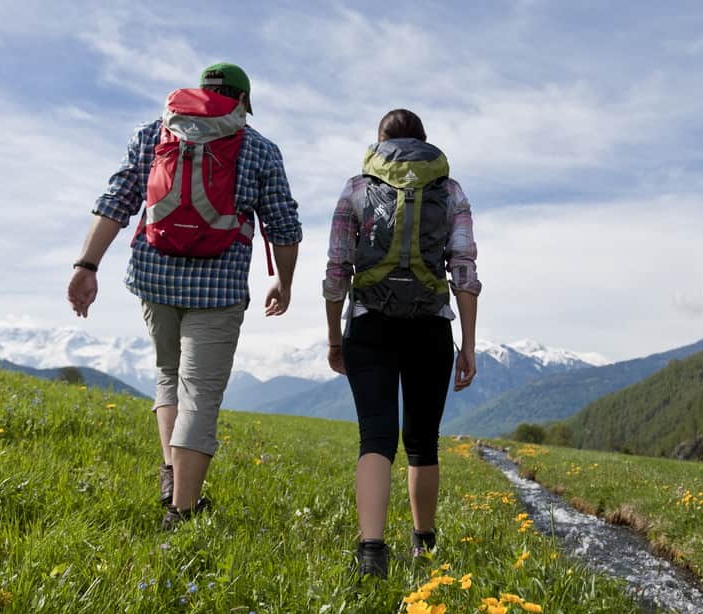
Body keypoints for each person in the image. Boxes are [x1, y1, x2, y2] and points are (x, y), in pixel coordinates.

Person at [68, 62, 301, 530]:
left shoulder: (154, 133)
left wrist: (86, 265)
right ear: (243, 100)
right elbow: (284, 225)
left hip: (154, 277)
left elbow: (117, 200)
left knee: (168, 374)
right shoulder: (258, 148)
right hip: (219, 286)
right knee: (201, 393)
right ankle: (182, 513)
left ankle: (172, 477)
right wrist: (285, 281)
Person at [323, 108, 480, 578]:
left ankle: (372, 551)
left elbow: (336, 272)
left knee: (375, 436)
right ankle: (424, 546)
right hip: (430, 326)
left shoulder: (356, 188)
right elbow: (465, 273)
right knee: (422, 441)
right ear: (425, 142)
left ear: (379, 142)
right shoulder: (450, 191)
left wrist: (336, 337)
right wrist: (468, 345)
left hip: (369, 325)